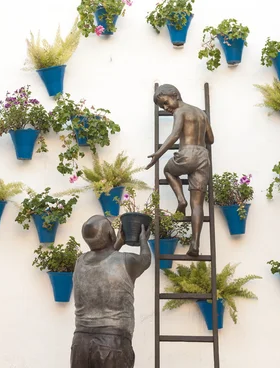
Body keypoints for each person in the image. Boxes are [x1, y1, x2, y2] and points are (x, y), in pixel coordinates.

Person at [70, 215, 151, 368]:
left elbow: (105, 260)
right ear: (111, 234)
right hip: (113, 342)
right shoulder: (127, 260)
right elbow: (145, 260)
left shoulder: (80, 262)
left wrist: (119, 241)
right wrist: (143, 241)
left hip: (80, 343)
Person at [146, 84, 214, 256]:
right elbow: (211, 139)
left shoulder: (180, 112)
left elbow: (175, 134)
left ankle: (180, 200)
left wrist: (158, 154)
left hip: (187, 153)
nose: (166, 108)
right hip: (203, 156)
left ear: (175, 95)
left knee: (168, 171)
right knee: (197, 204)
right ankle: (195, 244)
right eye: (163, 107)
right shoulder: (201, 113)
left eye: (166, 103)